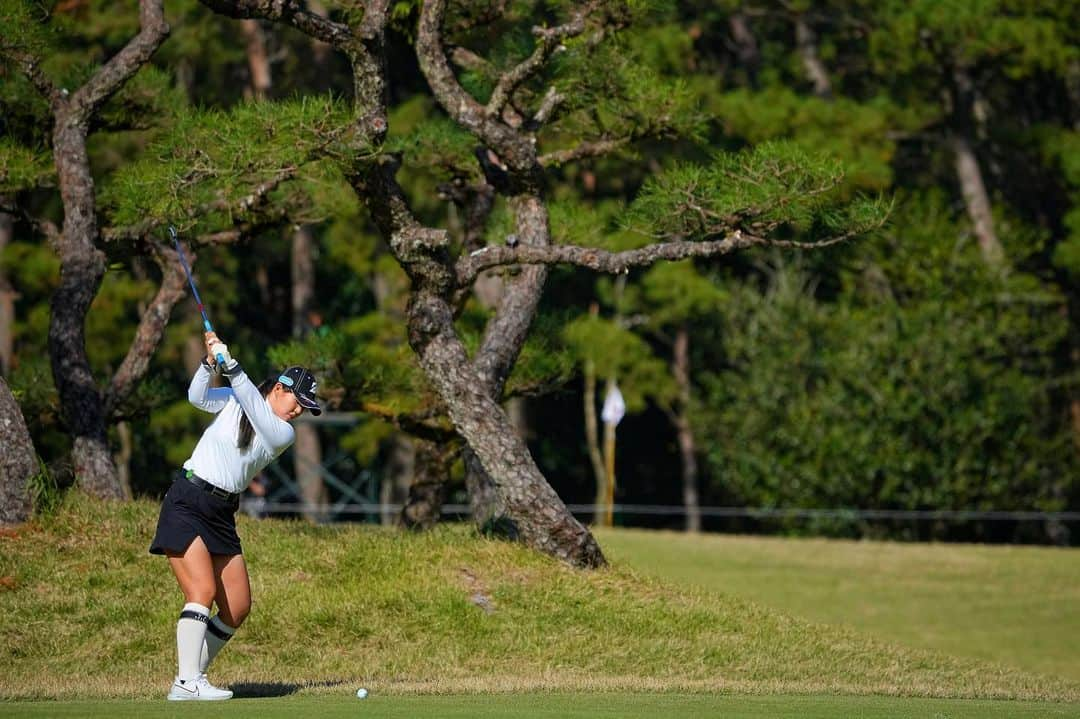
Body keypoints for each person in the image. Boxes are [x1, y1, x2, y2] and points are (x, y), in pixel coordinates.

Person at [149, 331, 321, 701]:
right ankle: (186, 681)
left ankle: (192, 676)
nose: (298, 411)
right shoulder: (236, 398)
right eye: (298, 401)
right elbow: (197, 397)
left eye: (305, 408)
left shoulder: (281, 432)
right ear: (279, 387)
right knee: (201, 591)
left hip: (222, 512)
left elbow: (249, 400)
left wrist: (231, 365)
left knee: (238, 606)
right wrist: (210, 363)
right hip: (188, 498)